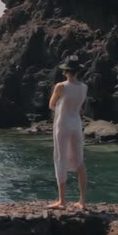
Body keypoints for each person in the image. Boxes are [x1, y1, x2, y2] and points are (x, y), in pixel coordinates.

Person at [47, 55, 88, 211]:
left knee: (60, 158)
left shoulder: (60, 86)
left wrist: (59, 105)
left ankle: (62, 201)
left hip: (62, 125)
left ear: (66, 71)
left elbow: (51, 104)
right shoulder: (84, 87)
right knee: (79, 161)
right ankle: (83, 202)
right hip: (76, 124)